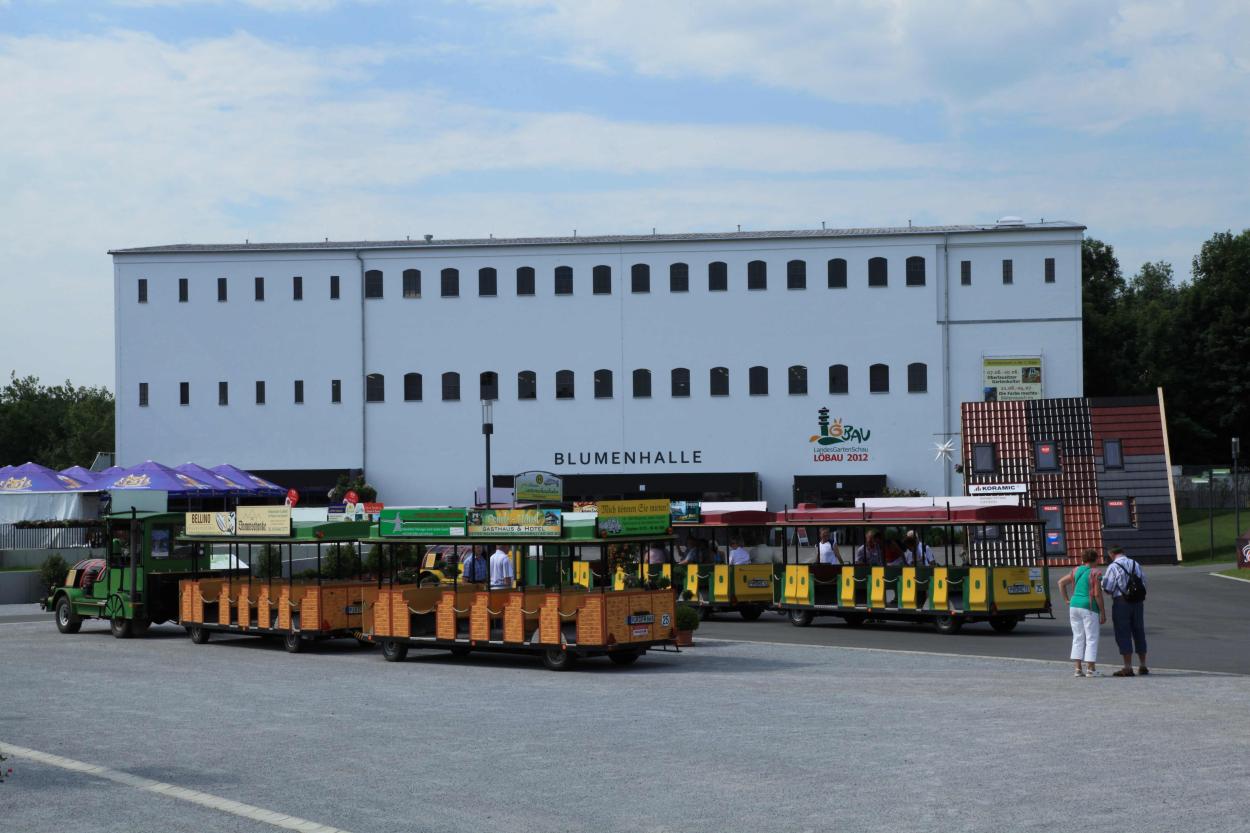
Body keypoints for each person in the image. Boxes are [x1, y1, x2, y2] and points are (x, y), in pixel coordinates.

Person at [1100, 545, 1148, 676]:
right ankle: (1143, 665)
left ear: (1111, 554)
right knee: (1139, 630)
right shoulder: (1135, 563)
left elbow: (1109, 588)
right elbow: (1144, 581)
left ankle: (1128, 667)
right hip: (1138, 601)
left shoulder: (1113, 567)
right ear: (1123, 552)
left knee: (1123, 632)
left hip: (1122, 601)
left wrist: (1102, 585)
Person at [1059, 549, 1105, 677]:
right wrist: (1103, 612)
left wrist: (1066, 600)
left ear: (1083, 559)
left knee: (1078, 636)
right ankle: (1091, 669)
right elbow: (1097, 594)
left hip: (1074, 605)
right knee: (1091, 637)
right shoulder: (1096, 573)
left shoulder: (1075, 570)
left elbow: (1061, 583)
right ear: (1095, 559)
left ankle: (1078, 669)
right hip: (1089, 606)